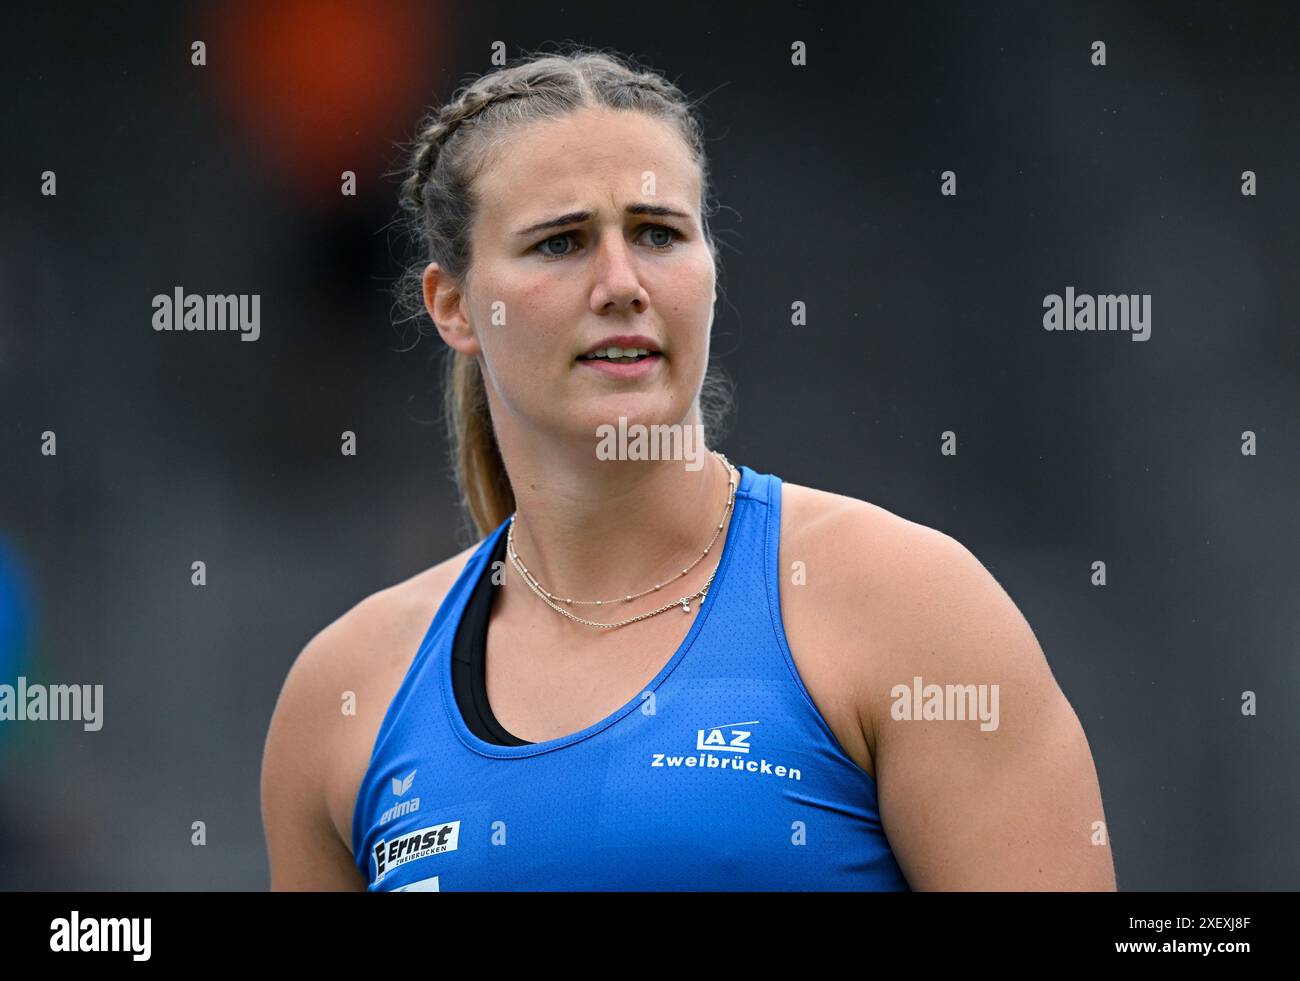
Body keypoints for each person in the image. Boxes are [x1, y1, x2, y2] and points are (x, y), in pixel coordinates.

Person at [261, 45, 1116, 891]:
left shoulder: (905, 605)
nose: (621, 282)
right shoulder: (346, 696)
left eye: (658, 233)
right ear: (454, 306)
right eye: (560, 243)